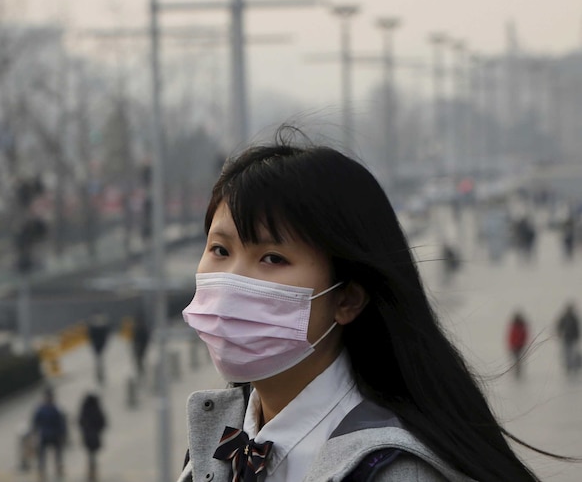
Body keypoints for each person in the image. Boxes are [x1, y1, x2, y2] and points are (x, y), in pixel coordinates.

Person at [177, 126, 569, 482]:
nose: (233, 280)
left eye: (273, 258)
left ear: (346, 298)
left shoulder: (395, 471)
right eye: (219, 249)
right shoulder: (215, 443)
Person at [31, 387, 67, 481]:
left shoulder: (51, 409)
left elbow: (61, 423)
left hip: (50, 435)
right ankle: (43, 471)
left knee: (54, 454)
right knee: (45, 455)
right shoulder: (50, 409)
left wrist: (62, 434)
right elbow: (35, 422)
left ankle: (55, 469)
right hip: (47, 435)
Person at [78, 392, 107, 482]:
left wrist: (85, 429)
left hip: (88, 435)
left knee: (90, 454)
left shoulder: (85, 409)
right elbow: (103, 422)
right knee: (92, 454)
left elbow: (80, 421)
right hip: (94, 435)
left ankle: (91, 471)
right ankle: (92, 471)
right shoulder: (96, 409)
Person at [556, 302, 580, 375]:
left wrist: (577, 336)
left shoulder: (574, 318)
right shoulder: (564, 317)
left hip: (572, 338)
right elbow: (559, 326)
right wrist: (559, 333)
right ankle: (568, 367)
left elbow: (577, 328)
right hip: (566, 338)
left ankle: (573, 366)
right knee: (566, 353)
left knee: (572, 353)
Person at [507, 311, 529, 379]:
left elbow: (524, 336)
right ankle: (517, 372)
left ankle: (518, 372)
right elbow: (511, 336)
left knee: (518, 360)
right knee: (516, 360)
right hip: (515, 346)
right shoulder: (516, 326)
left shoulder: (520, 326)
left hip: (519, 346)